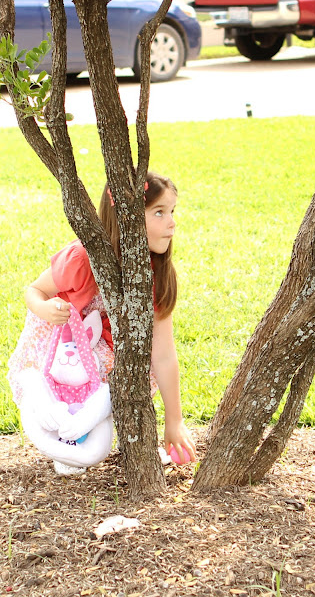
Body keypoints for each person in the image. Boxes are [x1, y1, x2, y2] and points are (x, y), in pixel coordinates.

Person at [8, 172, 196, 475]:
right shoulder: (82, 258)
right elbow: (35, 290)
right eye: (159, 212)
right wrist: (45, 308)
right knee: (64, 378)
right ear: (126, 218)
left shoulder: (156, 275)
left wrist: (175, 421)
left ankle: (100, 433)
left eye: (172, 211)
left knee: (120, 375)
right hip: (63, 343)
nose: (172, 222)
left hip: (104, 350)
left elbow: (163, 354)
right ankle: (60, 425)